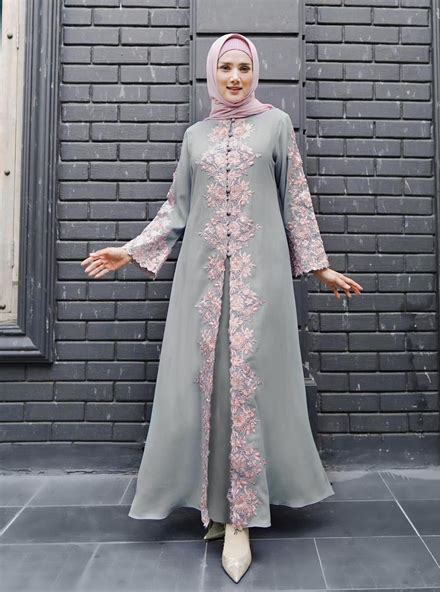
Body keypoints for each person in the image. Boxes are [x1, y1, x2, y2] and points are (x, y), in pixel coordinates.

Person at [81, 32, 363, 583]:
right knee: (205, 385)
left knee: (249, 385)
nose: (235, 78)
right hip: (202, 281)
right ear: (213, 73)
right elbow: (176, 209)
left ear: (255, 72)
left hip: (262, 278)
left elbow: (296, 200)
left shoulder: (276, 126)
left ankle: (241, 518)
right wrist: (130, 251)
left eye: (244, 68)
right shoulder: (196, 136)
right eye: (226, 68)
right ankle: (214, 505)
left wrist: (319, 267)